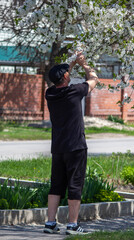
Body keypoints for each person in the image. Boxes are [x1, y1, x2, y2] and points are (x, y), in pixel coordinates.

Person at [44, 52, 99, 235]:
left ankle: (50, 223)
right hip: (75, 147)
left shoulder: (50, 94)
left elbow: (61, 78)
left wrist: (72, 64)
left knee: (56, 186)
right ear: (66, 77)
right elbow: (94, 79)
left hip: (58, 148)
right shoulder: (75, 91)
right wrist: (84, 64)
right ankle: (73, 225)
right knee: (75, 185)